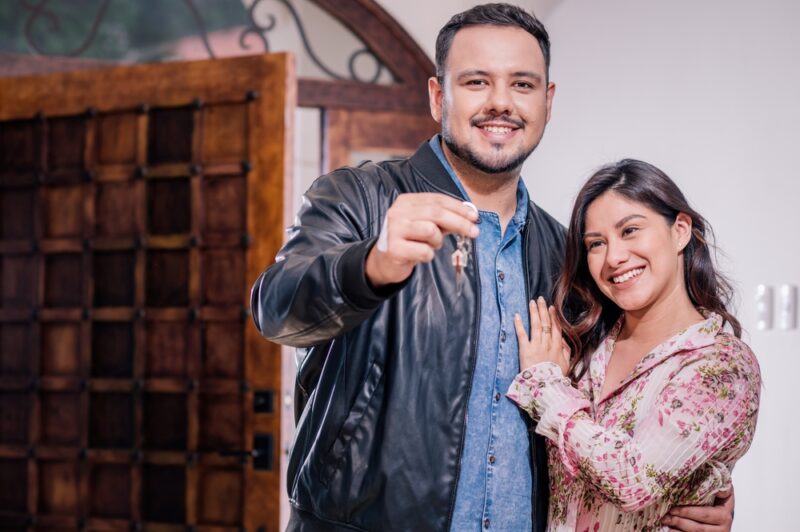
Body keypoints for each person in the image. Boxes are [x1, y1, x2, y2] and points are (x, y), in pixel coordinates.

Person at [251, 4, 737, 531]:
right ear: (440, 95)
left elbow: (614, 399)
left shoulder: (564, 251)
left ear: (548, 103)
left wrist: (697, 485)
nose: (501, 103)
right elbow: (276, 310)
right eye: (478, 82)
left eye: (522, 85)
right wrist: (371, 264)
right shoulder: (360, 198)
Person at [507, 159, 760, 531]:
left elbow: (633, 480)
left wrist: (545, 386)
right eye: (596, 243)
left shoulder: (723, 365)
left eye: (630, 230)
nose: (614, 258)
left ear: (680, 231)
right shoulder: (584, 346)